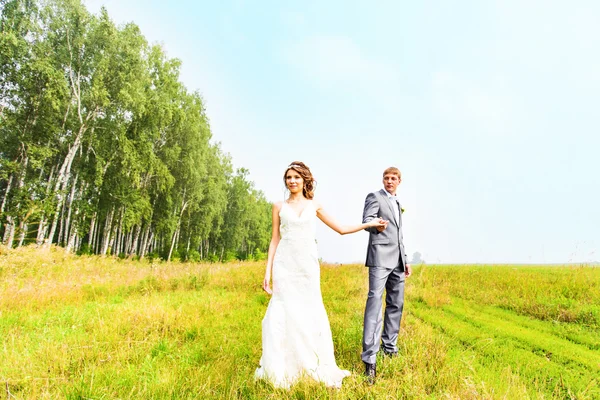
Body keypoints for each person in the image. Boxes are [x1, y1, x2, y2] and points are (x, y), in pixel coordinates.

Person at [255, 161, 386, 389]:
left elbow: (341, 229)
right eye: (288, 178)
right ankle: (281, 366)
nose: (292, 181)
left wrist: (370, 224)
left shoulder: (314, 205)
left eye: (296, 177)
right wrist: (268, 271)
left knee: (307, 310)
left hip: (307, 266)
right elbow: (274, 239)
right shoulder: (278, 206)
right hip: (284, 265)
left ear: (305, 180)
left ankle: (310, 363)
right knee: (282, 310)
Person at [361, 166, 412, 385]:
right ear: (383, 180)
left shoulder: (398, 202)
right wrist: (377, 226)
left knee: (396, 305)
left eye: (393, 178)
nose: (389, 181)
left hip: (398, 260)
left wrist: (406, 258)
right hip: (380, 258)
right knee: (374, 304)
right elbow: (367, 221)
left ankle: (389, 348)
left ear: (399, 181)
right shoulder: (375, 196)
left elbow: (399, 234)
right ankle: (369, 360)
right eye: (386, 178)